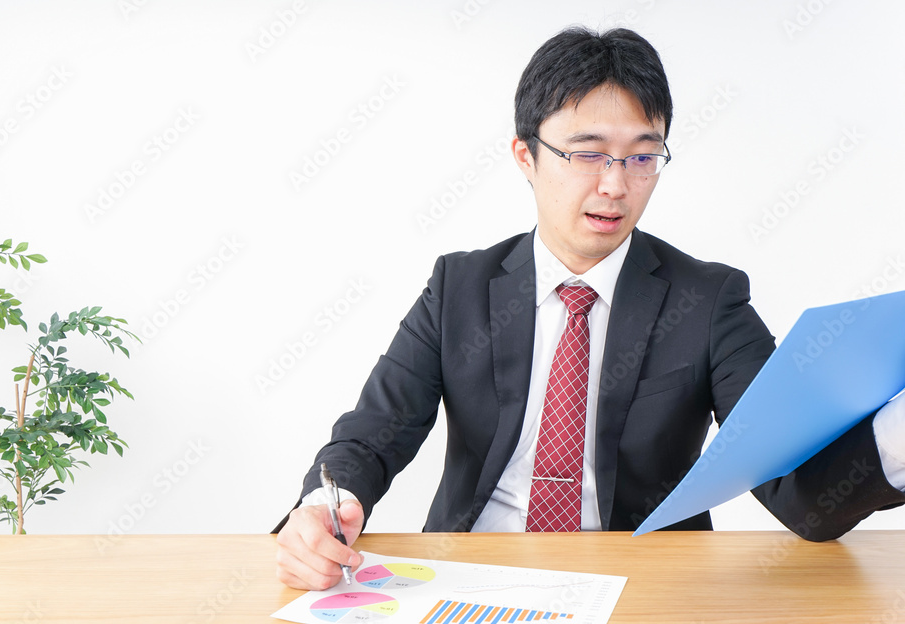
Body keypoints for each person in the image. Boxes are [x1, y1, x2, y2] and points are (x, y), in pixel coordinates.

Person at [274, 26, 905, 591]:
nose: (615, 184)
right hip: (469, 579)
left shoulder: (709, 300)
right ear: (526, 156)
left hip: (641, 592)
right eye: (587, 153)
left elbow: (797, 493)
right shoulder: (459, 286)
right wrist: (327, 506)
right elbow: (373, 434)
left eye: (642, 156)